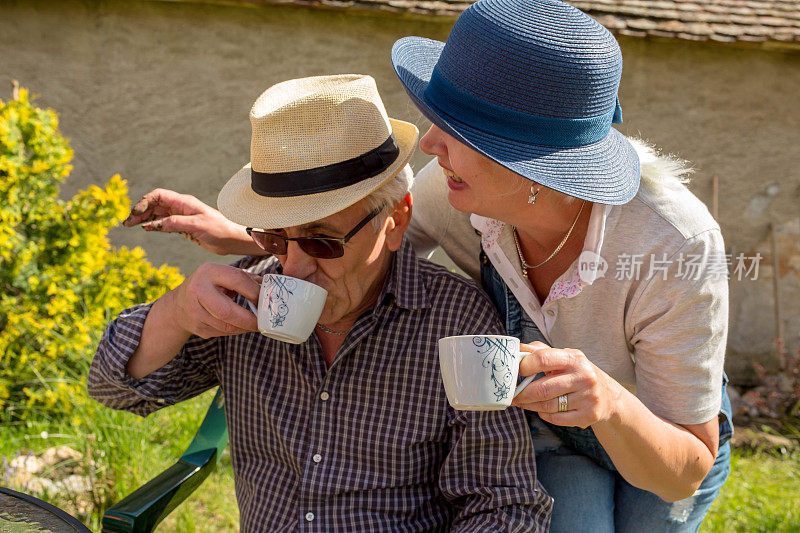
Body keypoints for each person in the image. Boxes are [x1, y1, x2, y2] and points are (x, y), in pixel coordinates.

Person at [124, 1, 732, 531]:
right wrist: (245, 238)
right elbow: (358, 247)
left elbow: (685, 468)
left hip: (660, 430)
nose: (432, 145)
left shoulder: (675, 245)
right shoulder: (455, 188)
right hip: (548, 427)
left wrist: (609, 402)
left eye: (458, 130)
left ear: (534, 165)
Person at [88, 74, 553, 532]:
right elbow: (113, 389)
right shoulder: (249, 298)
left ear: (395, 219)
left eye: (322, 243)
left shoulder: (457, 322)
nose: (292, 267)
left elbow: (503, 506)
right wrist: (178, 311)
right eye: (274, 239)